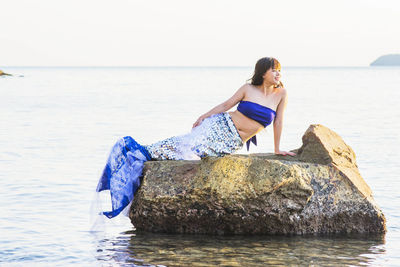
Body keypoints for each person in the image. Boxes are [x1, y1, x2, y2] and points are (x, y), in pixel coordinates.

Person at [95, 57, 295, 219]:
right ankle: (132, 150)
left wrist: (277, 149)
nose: (278, 74)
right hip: (219, 126)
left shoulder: (281, 94)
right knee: (182, 147)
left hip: (231, 142)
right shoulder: (247, 89)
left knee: (188, 151)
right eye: (274, 70)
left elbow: (278, 122)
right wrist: (204, 116)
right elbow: (226, 106)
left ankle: (140, 154)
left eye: (279, 70)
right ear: (263, 73)